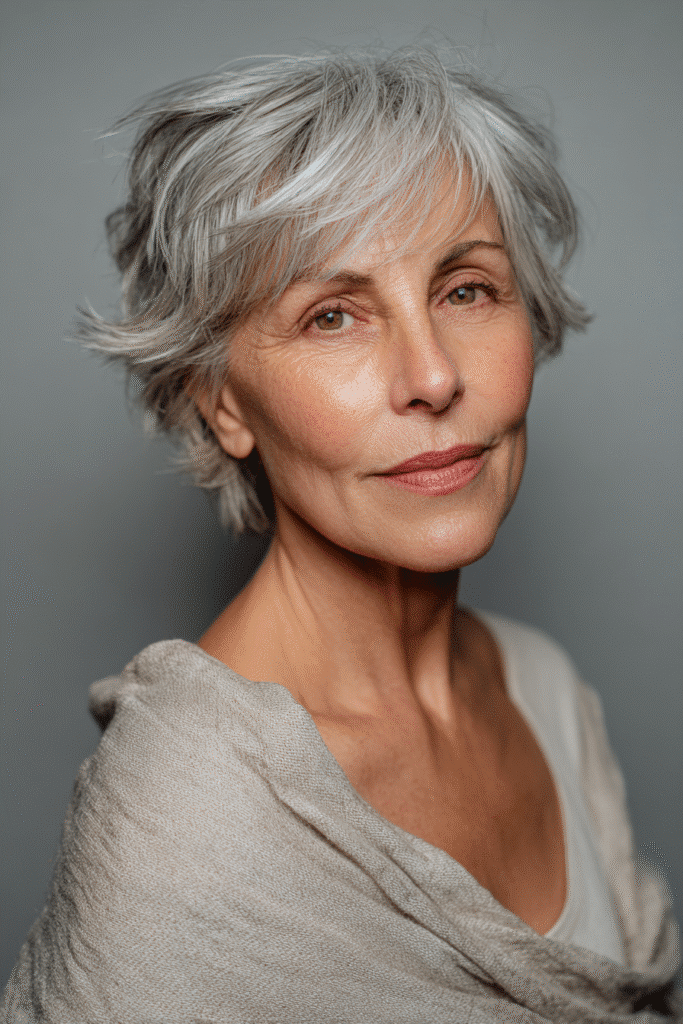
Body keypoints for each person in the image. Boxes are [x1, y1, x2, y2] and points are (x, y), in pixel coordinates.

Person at [2, 44, 680, 1023]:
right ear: (221, 403)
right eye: (332, 316)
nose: (433, 375)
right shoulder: (190, 826)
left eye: (464, 290)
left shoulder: (545, 693)